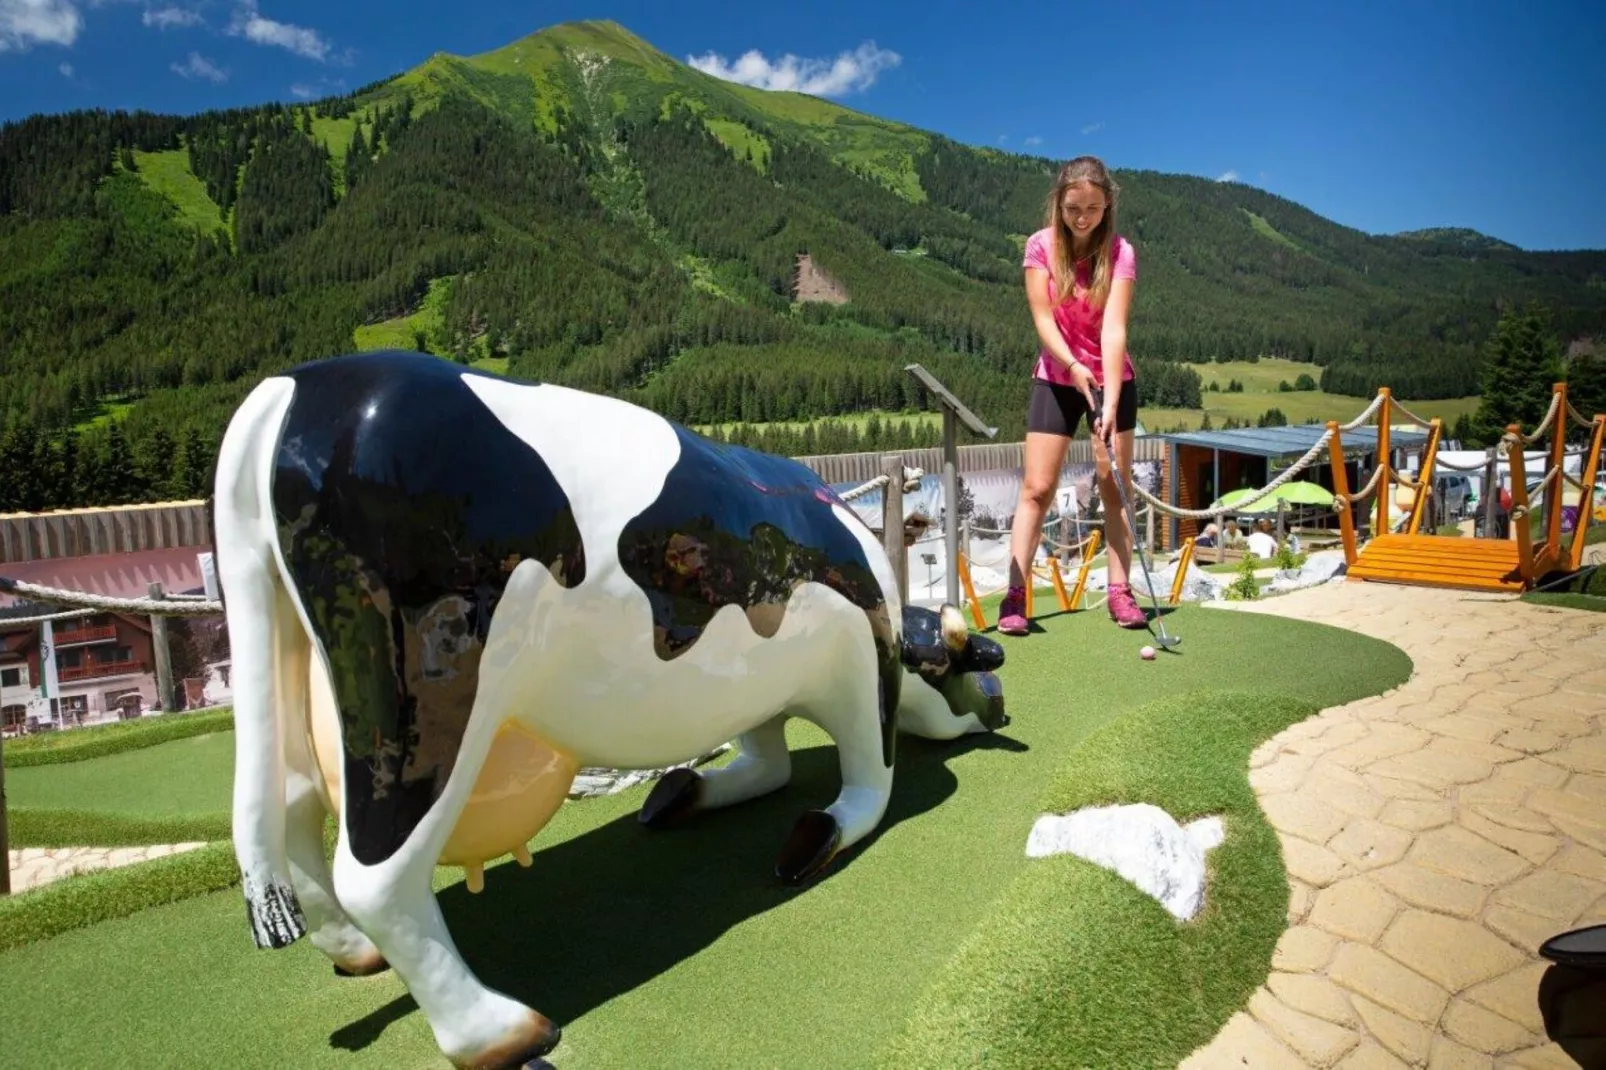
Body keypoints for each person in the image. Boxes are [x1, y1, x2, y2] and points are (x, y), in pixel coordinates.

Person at [998, 156, 1145, 634]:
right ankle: (1016, 597)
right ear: (1059, 202)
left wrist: (1111, 395)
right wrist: (1075, 366)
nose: (1083, 218)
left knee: (1113, 488)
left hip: (1111, 379)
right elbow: (1043, 320)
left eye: (1093, 209)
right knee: (1037, 488)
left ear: (1108, 206)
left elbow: (1114, 328)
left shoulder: (1120, 252)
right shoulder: (1040, 247)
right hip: (1057, 376)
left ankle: (1121, 593)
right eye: (1074, 208)